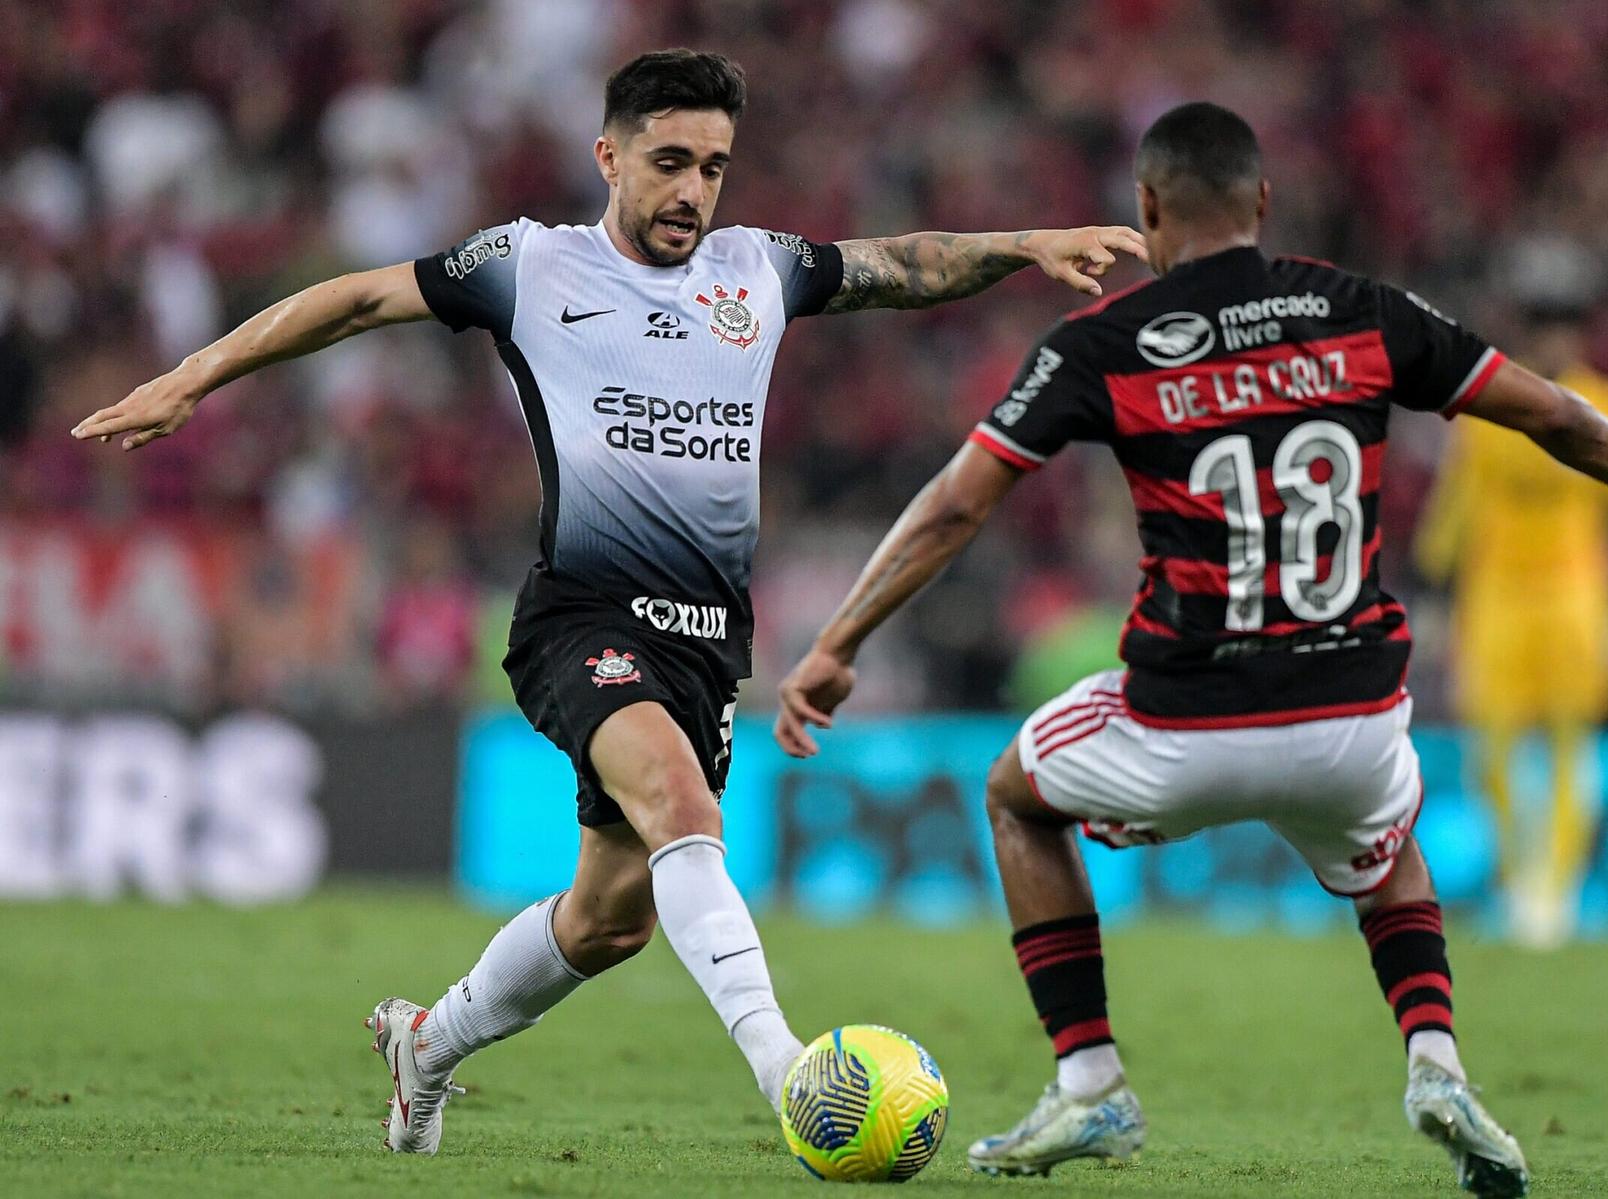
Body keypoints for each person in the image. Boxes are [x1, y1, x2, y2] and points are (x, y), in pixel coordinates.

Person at [70, 48, 1144, 1156]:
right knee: (685, 808)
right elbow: (354, 301)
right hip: (581, 617)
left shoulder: (758, 270)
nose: (692, 190)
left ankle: (426, 1045)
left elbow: (906, 265)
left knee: (612, 915)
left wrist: (1024, 245)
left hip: (705, 641)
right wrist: (191, 377)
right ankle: (796, 1079)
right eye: (669, 161)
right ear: (609, 156)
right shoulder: (531, 265)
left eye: (714, 167)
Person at [774, 101, 1608, 1196]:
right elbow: (1548, 411)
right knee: (1388, 842)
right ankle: (1436, 1061)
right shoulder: (1361, 310)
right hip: (1353, 716)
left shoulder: (1105, 340)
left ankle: (1089, 1082)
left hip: (1186, 720)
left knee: (1014, 791)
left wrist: (838, 641)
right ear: (1263, 202)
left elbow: (955, 506)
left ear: (1145, 207)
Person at [1415, 237, 1608, 947]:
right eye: (1541, 320)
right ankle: (1516, 874)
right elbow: (1456, 503)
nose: (1552, 335)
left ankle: (1552, 890)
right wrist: (1434, 587)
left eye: (1563, 321)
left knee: (1569, 746)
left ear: (1582, 328)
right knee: (1490, 751)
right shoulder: (1488, 402)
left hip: (1575, 597)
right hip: (1494, 596)